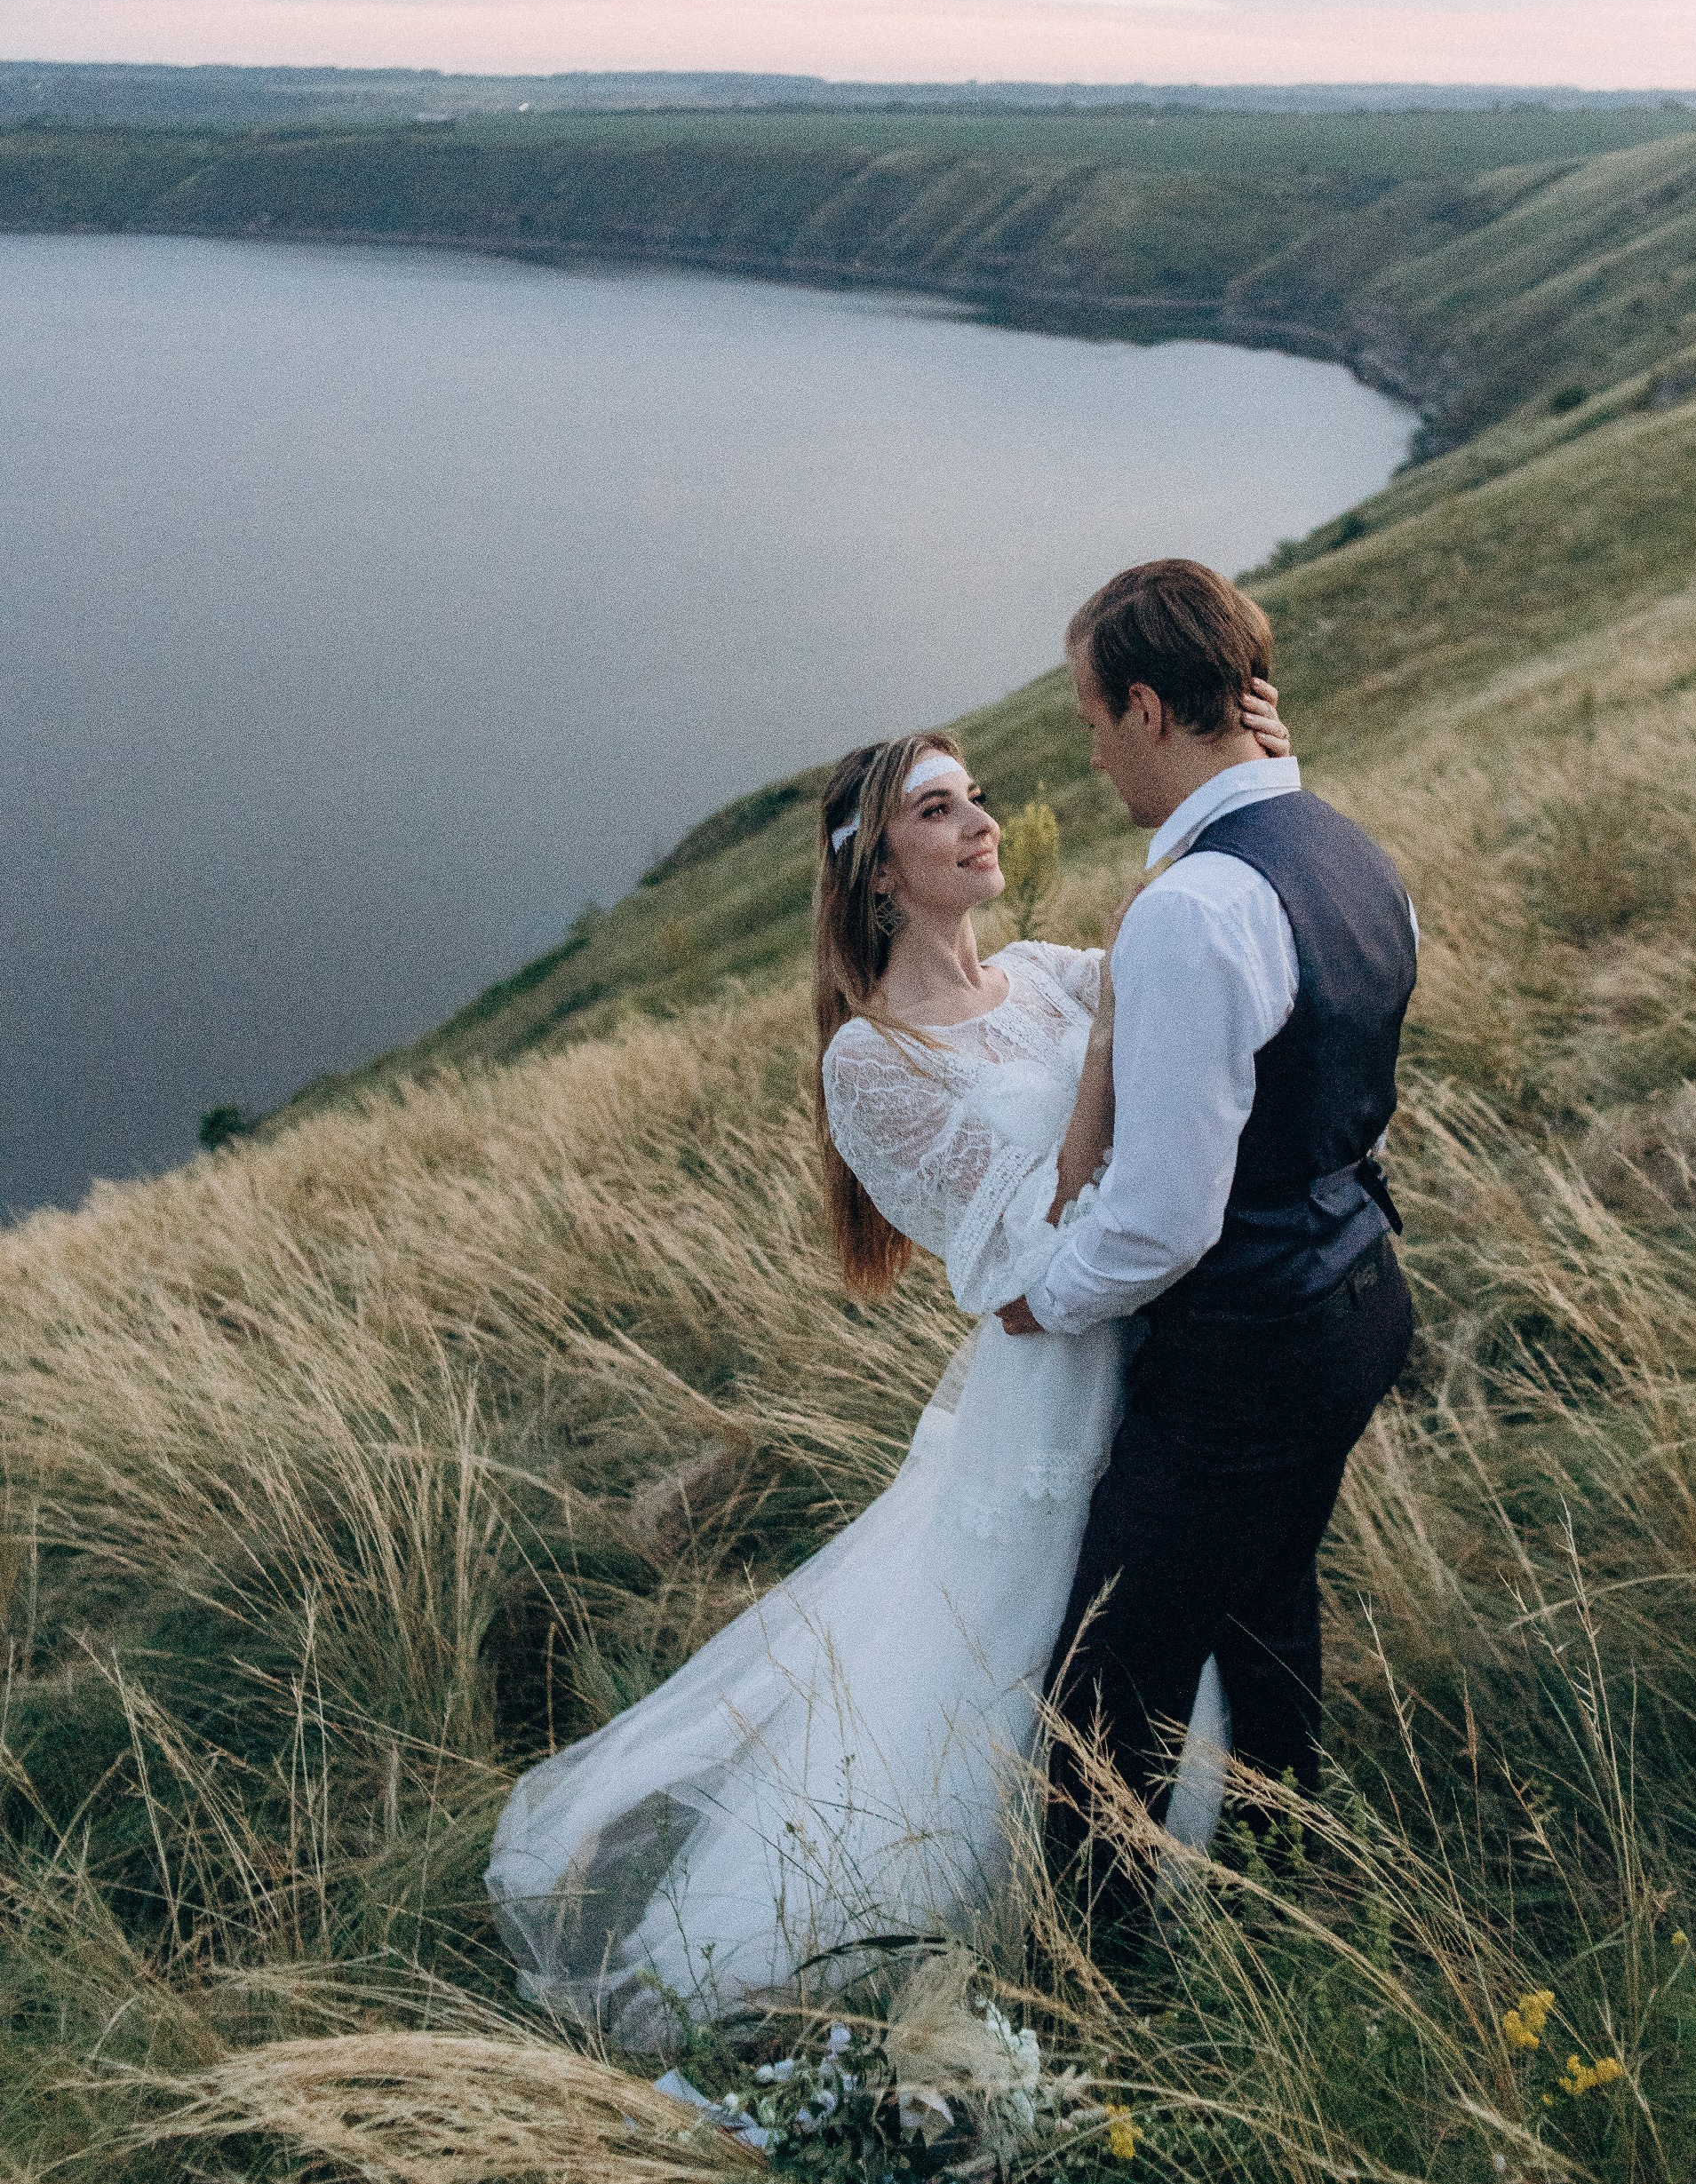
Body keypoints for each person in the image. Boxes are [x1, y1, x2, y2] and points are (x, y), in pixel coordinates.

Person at [484, 687, 1288, 2044]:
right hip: (1059, 1397)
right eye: (937, 810)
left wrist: (1256, 777)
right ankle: (984, 1955)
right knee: (1029, 1666)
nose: (979, 824)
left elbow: (1206, 999)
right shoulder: (873, 1062)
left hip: (1178, 1356)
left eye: (974, 797)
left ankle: (1199, 1890)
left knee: (1175, 1627)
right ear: (877, 874)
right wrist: (1103, 1070)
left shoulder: (1048, 971)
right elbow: (1023, 1264)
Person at [997, 560, 1417, 1934]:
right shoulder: (1352, 852)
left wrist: (1038, 1297)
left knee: (1105, 1690)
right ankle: (1287, 1890)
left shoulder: (1196, 908)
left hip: (1249, 1353)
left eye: (1088, 716)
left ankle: (1104, 1987)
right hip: (1357, 1297)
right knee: (1266, 1609)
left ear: (1142, 706)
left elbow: (1166, 1218)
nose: (1091, 749)